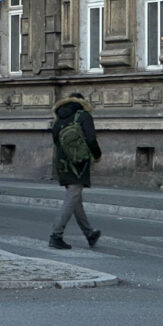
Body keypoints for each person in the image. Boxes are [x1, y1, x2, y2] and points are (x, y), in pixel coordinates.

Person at [49, 92, 102, 250]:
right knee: (72, 197)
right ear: (82, 103)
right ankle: (56, 235)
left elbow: (56, 141)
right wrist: (97, 155)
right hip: (79, 163)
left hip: (63, 163)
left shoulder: (59, 118)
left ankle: (89, 233)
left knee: (75, 199)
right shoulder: (83, 116)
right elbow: (91, 138)